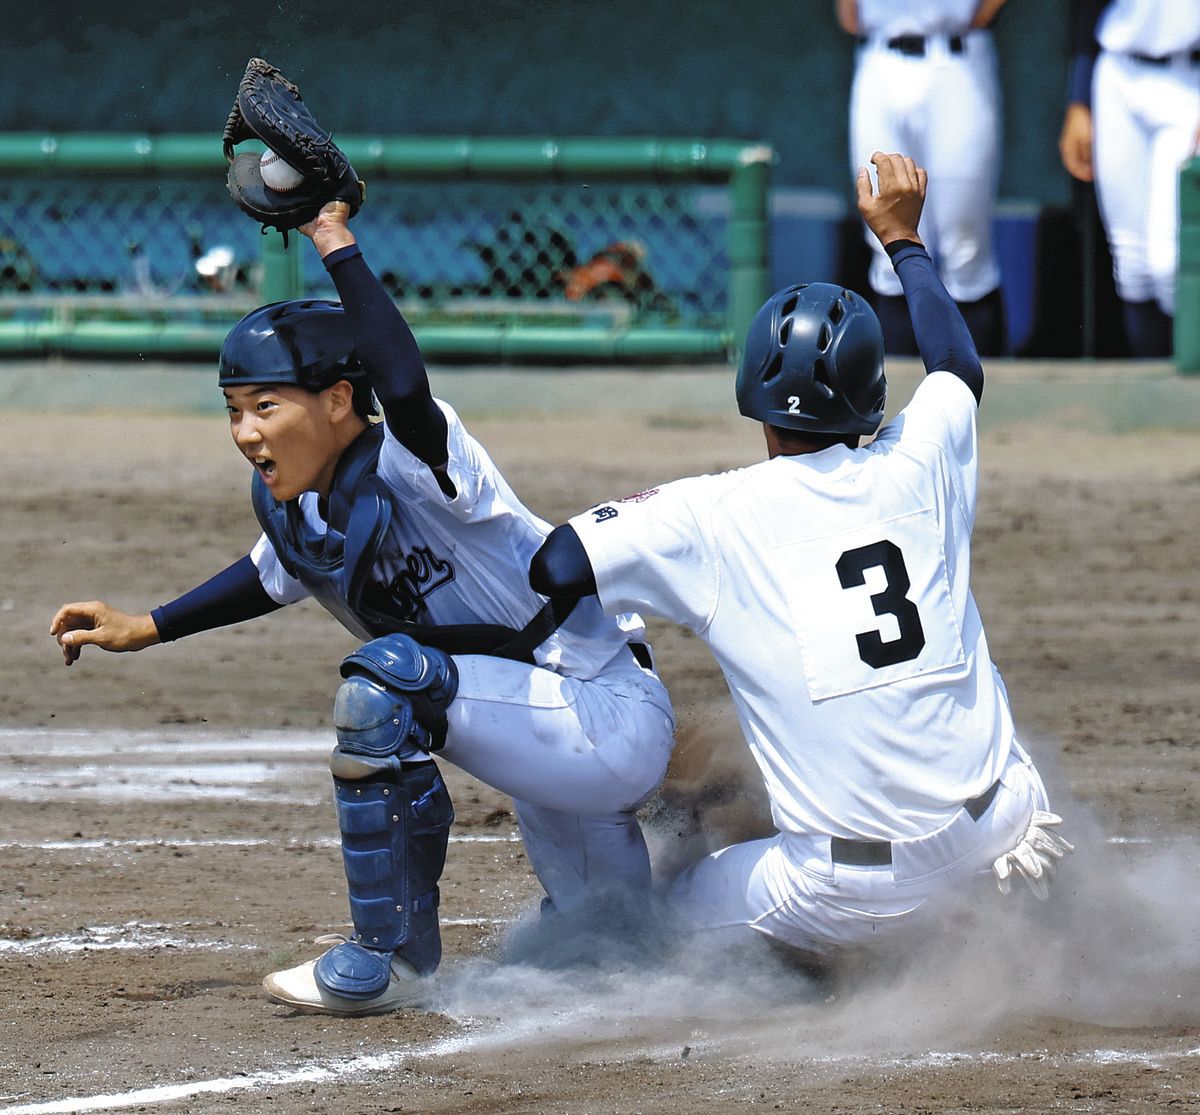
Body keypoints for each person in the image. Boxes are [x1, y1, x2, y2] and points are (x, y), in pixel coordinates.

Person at [50, 201, 676, 1016]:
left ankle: (390, 960)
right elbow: (264, 576)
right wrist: (148, 624)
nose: (245, 431)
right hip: (540, 736)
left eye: (267, 406)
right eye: (234, 410)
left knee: (383, 691)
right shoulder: (310, 509)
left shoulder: (421, 461)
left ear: (340, 400)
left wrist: (334, 241)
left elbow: (406, 386)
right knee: (617, 945)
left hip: (602, 713)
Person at [529, 152, 1072, 972]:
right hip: (1002, 844)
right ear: (870, 396)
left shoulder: (707, 513)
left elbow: (556, 563)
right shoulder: (920, 464)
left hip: (852, 894)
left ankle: (828, 964)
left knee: (666, 907)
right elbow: (958, 367)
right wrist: (902, 238)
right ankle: (1017, 912)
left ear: (752, 391)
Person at [837, 0, 1011, 356]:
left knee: (965, 246)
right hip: (879, 54)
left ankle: (981, 392)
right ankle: (896, 390)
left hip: (955, 56)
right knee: (884, 243)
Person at [1059, 0, 1200, 357]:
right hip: (1118, 72)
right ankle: (1154, 393)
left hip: (1189, 79)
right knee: (1131, 261)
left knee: (1169, 261)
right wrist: (1079, 100)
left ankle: (1185, 385)